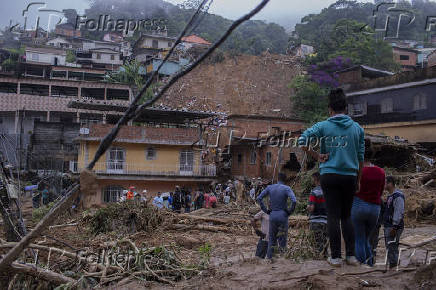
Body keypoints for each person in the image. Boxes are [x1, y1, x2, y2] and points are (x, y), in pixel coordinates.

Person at [298, 88, 364, 267]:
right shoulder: (357, 129)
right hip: (349, 176)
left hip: (329, 175)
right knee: (346, 215)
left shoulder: (323, 126)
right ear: (346, 108)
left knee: (333, 216)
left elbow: (302, 140)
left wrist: (316, 155)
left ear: (330, 109)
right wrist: (358, 180)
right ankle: (350, 256)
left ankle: (335, 257)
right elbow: (360, 158)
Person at [351, 139, 385, 266]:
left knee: (359, 239)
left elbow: (352, 190)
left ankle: (362, 266)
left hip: (359, 205)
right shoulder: (381, 172)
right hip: (375, 208)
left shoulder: (357, 171)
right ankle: (370, 264)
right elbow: (381, 192)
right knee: (366, 239)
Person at [256, 173, 297, 261]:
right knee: (282, 239)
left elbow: (259, 198)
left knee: (272, 239)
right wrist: (289, 211)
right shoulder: (287, 188)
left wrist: (266, 210)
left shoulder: (270, 187)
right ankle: (282, 260)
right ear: (285, 180)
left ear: (277, 179)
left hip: (272, 215)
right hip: (283, 215)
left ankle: (269, 259)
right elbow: (294, 200)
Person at [383, 176, 405, 269]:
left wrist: (395, 226)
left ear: (390, 183)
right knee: (390, 246)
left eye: (385, 182)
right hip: (389, 225)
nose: (383, 185)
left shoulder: (398, 196)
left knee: (392, 246)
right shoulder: (390, 196)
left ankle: (394, 266)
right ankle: (392, 265)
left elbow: (398, 211)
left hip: (393, 226)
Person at [307, 172, 328, 257]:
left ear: (316, 180)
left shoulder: (314, 192)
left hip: (316, 221)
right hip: (326, 221)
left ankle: (318, 260)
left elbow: (311, 208)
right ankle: (325, 257)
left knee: (317, 244)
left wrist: (307, 207)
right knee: (325, 243)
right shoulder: (328, 191)